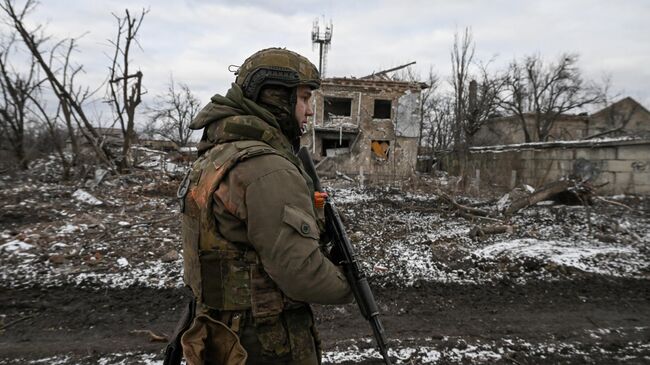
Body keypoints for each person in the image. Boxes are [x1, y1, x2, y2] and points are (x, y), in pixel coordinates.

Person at [177, 48, 353, 365]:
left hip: (220, 333)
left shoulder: (217, 155)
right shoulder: (267, 168)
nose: (310, 111)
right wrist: (350, 284)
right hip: (263, 341)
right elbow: (301, 274)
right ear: (275, 98)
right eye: (304, 98)